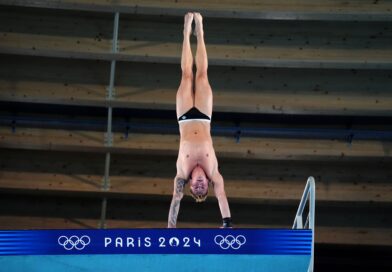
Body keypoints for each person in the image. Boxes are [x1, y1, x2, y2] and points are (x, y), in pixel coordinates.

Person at [167, 12, 232, 228]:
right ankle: (201, 33)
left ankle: (186, 33)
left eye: (197, 187)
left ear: (191, 185)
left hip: (184, 117)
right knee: (202, 74)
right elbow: (221, 195)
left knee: (186, 74)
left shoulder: (181, 174)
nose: (201, 184)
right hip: (204, 116)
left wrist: (170, 229)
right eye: (204, 188)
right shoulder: (213, 172)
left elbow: (176, 200)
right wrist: (227, 223)